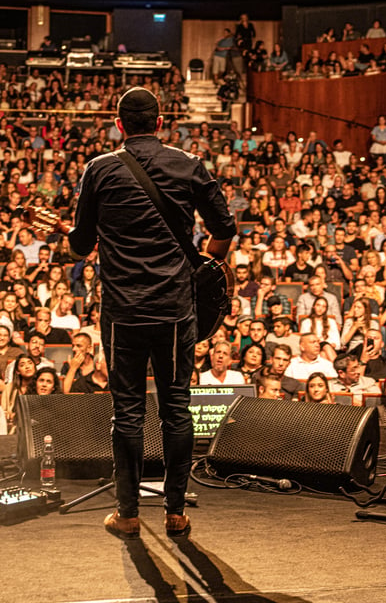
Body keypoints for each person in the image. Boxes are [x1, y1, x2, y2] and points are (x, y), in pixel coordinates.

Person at [66, 87, 236, 541]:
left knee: (128, 413)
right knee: (176, 409)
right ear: (160, 122)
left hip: (124, 312)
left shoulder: (99, 170)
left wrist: (84, 235)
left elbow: (80, 245)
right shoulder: (188, 164)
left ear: (119, 124)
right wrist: (209, 265)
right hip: (176, 310)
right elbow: (225, 227)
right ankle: (176, 513)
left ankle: (127, 515)